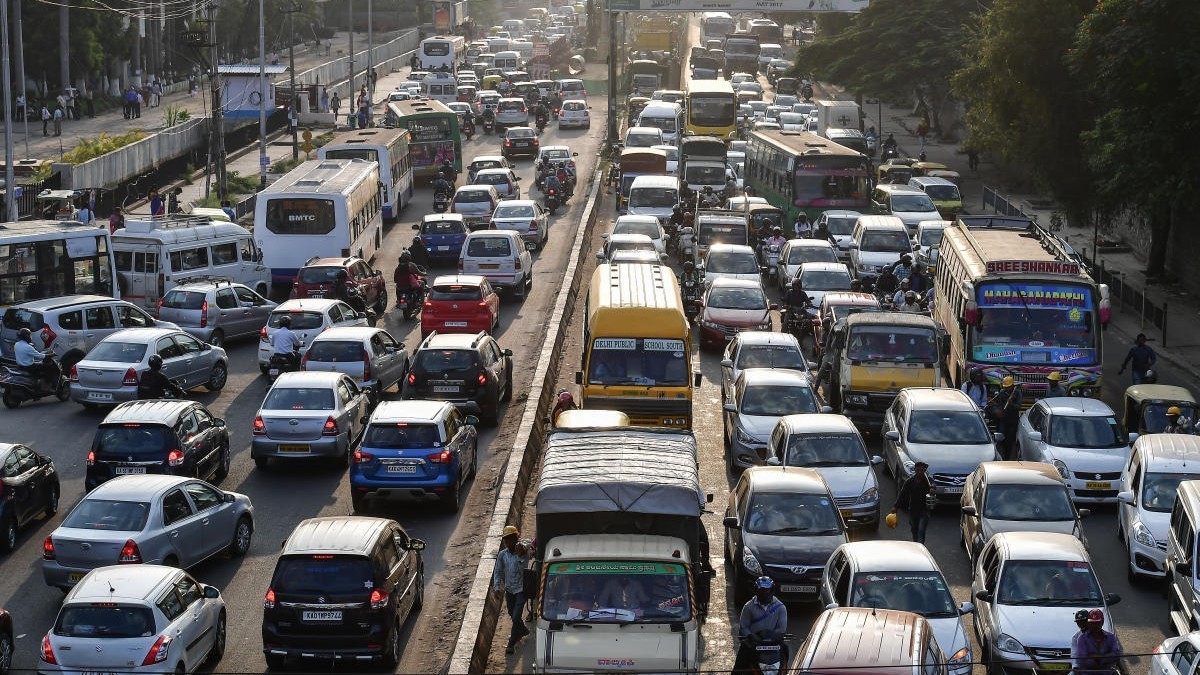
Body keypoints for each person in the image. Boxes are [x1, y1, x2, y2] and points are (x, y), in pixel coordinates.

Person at [733, 577, 788, 674]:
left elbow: (782, 628)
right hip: (753, 643)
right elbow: (743, 627)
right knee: (740, 663)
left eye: (767, 591)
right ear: (756, 591)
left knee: (786, 650)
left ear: (772, 591)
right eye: (761, 591)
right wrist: (751, 636)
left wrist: (770, 635)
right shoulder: (748, 607)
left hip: (774, 642)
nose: (764, 593)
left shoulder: (780, 607)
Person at [492, 525, 530, 654]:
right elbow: (497, 572)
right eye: (506, 540)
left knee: (515, 617)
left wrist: (523, 550)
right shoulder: (503, 555)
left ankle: (511, 643)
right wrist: (497, 587)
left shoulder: (523, 551)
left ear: (515, 538)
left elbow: (529, 546)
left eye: (510, 539)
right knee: (511, 613)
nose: (508, 543)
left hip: (521, 590)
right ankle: (523, 630)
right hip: (509, 590)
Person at [889, 461, 936, 544]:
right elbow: (902, 495)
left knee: (921, 531)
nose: (920, 472)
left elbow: (933, 485)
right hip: (913, 511)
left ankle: (920, 547)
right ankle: (916, 545)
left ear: (924, 471)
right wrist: (895, 507)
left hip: (924, 511)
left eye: (922, 470)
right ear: (915, 470)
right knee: (914, 530)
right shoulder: (909, 482)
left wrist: (932, 488)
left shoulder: (928, 480)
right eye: (918, 470)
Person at [1071, 609, 1122, 675]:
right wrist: (1102, 662)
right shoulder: (1079, 638)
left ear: (1102, 622)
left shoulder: (1110, 636)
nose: (1082, 625)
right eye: (1079, 623)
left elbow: (1116, 655)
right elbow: (1079, 658)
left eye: (1084, 622)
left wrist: (1100, 658)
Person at [989, 377, 1023, 459]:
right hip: (1003, 419)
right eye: (1005, 387)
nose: (1007, 389)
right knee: (1001, 439)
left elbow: (1018, 407)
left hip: (1012, 420)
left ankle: (1008, 458)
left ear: (1012, 386)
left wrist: (1011, 403)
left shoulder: (1017, 393)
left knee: (1010, 441)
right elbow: (999, 405)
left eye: (1009, 387)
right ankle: (1002, 456)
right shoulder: (1002, 392)